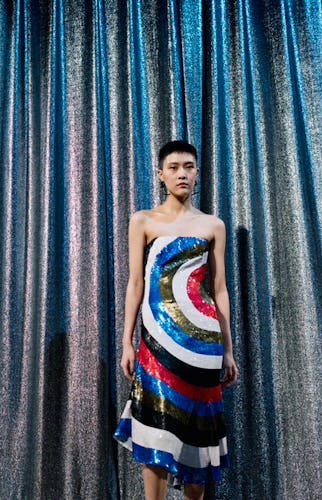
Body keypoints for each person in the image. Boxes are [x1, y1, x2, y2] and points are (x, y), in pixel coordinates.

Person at [113, 140, 238, 500]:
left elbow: (219, 289)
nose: (181, 173)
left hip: (202, 344)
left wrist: (228, 350)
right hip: (155, 342)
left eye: (188, 166)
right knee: (155, 427)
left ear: (197, 172)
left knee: (197, 435)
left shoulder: (213, 225)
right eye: (173, 167)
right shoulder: (143, 220)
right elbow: (135, 283)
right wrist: (127, 341)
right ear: (161, 174)